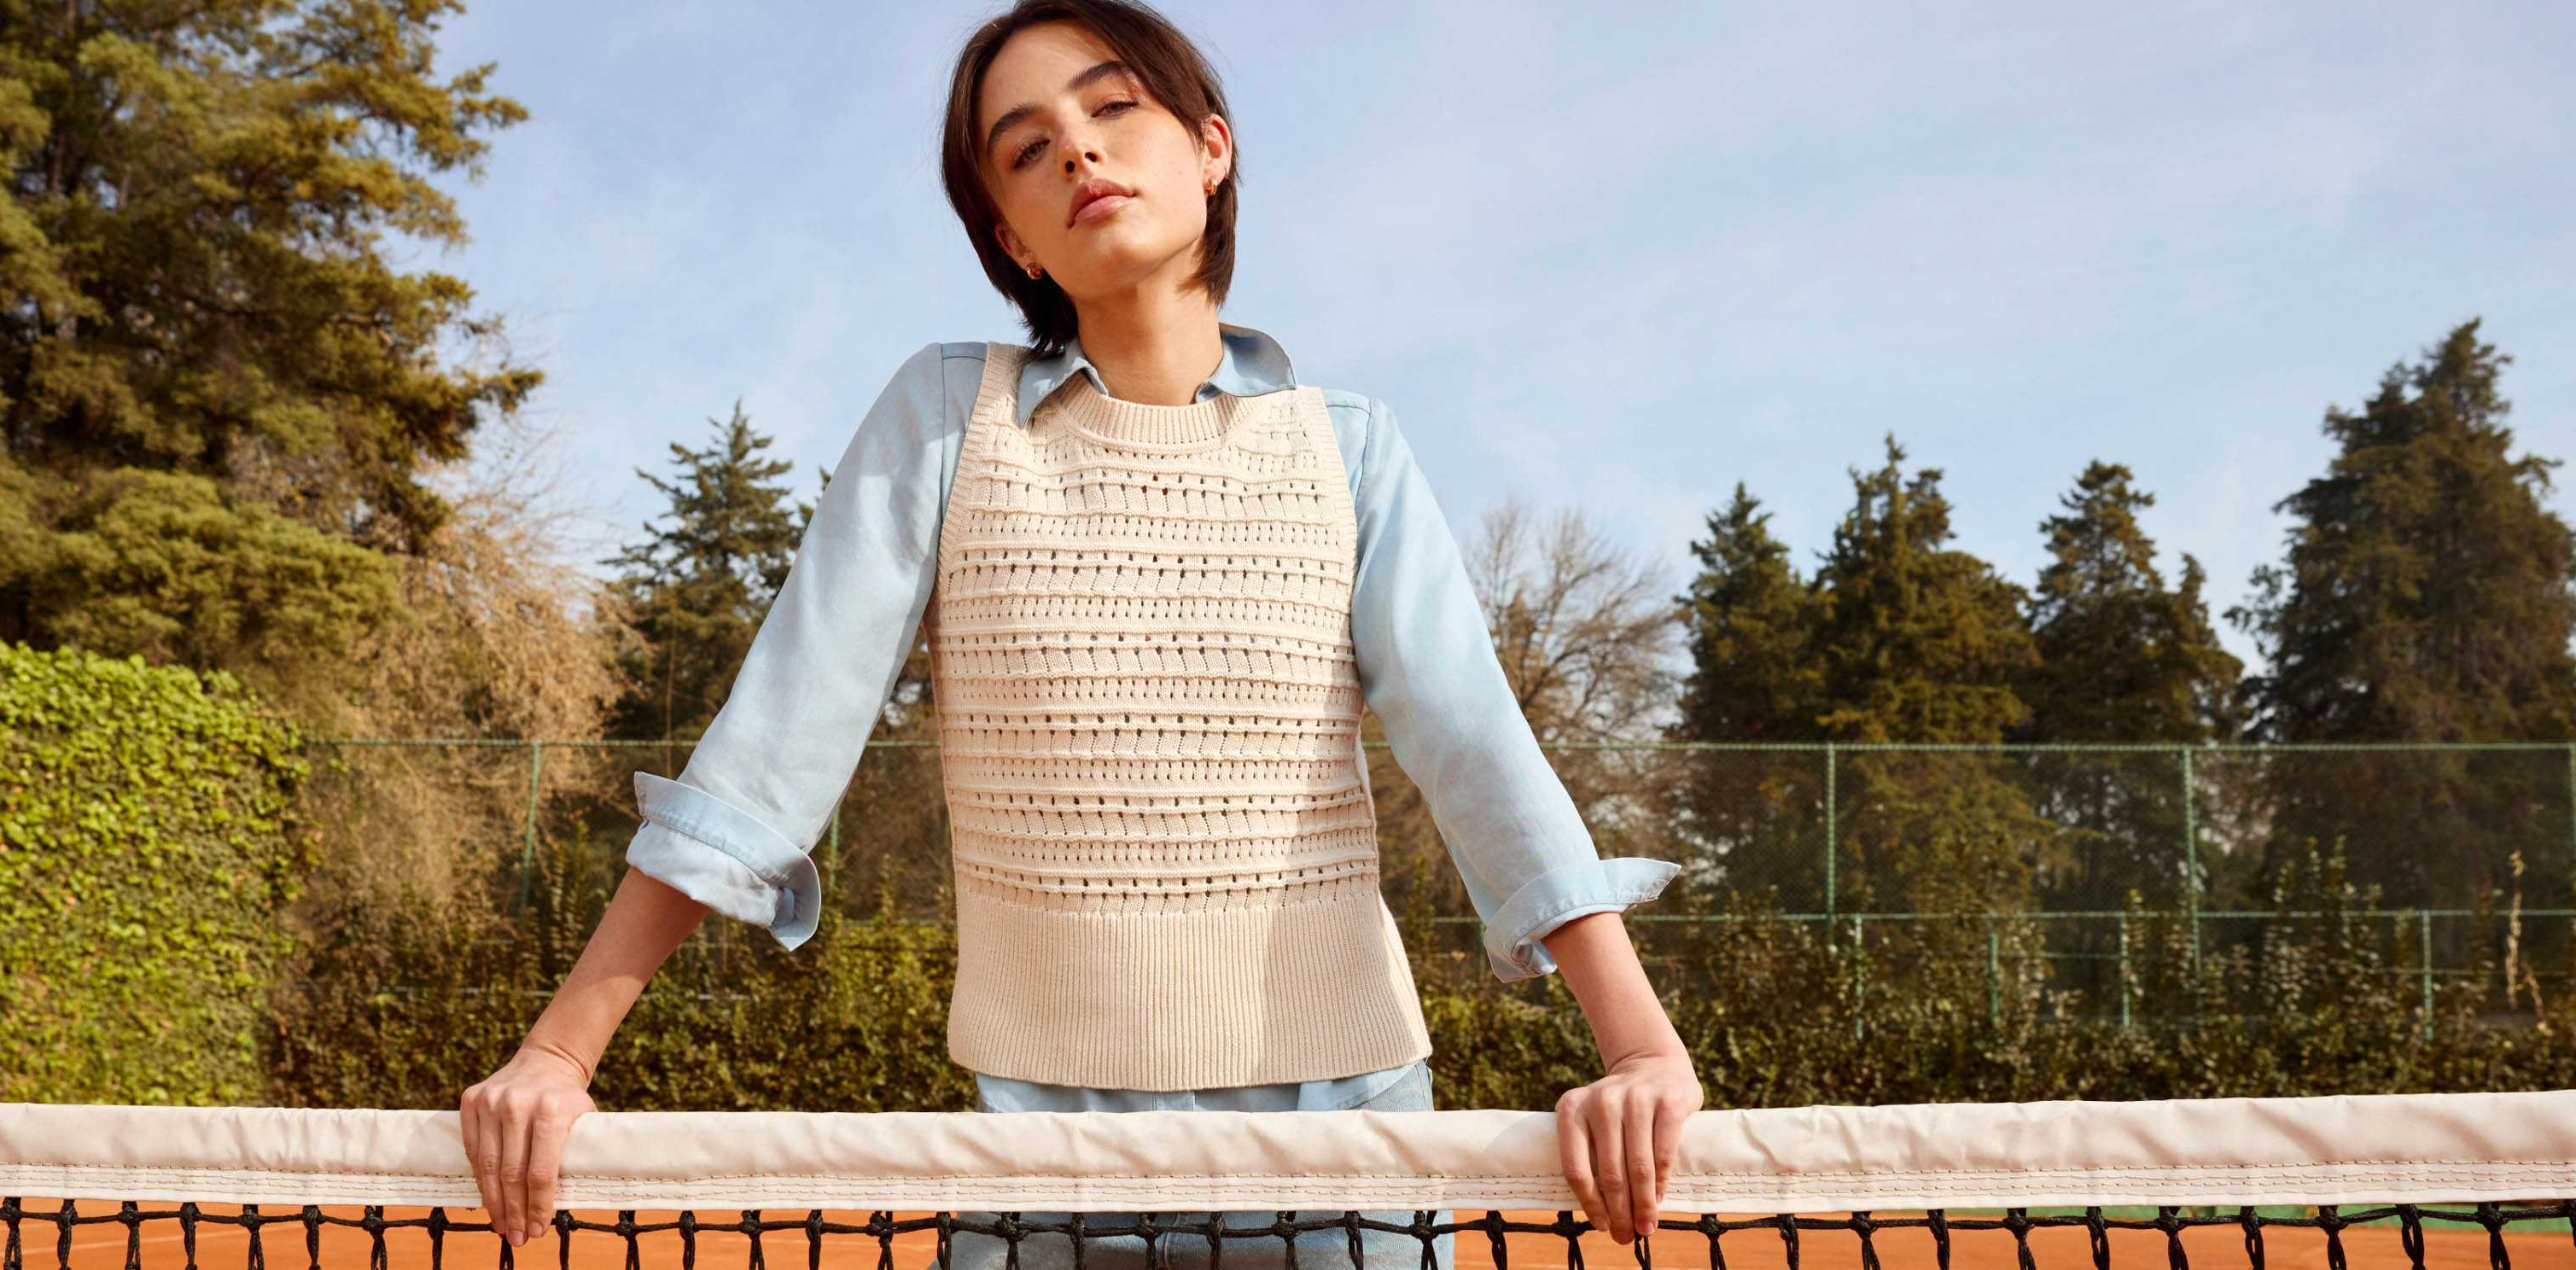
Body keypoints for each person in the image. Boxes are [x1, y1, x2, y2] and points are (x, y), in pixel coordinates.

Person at [455, 2, 1698, 1263]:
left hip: (1349, 1146)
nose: (1079, 154)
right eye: (1028, 147)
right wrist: (558, 1053)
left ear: (1210, 147)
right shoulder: (947, 418)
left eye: (1112, 110)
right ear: (1014, 240)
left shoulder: (1351, 448)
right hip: (1033, 1158)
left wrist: (1640, 1048)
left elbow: (1474, 742)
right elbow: (776, 741)